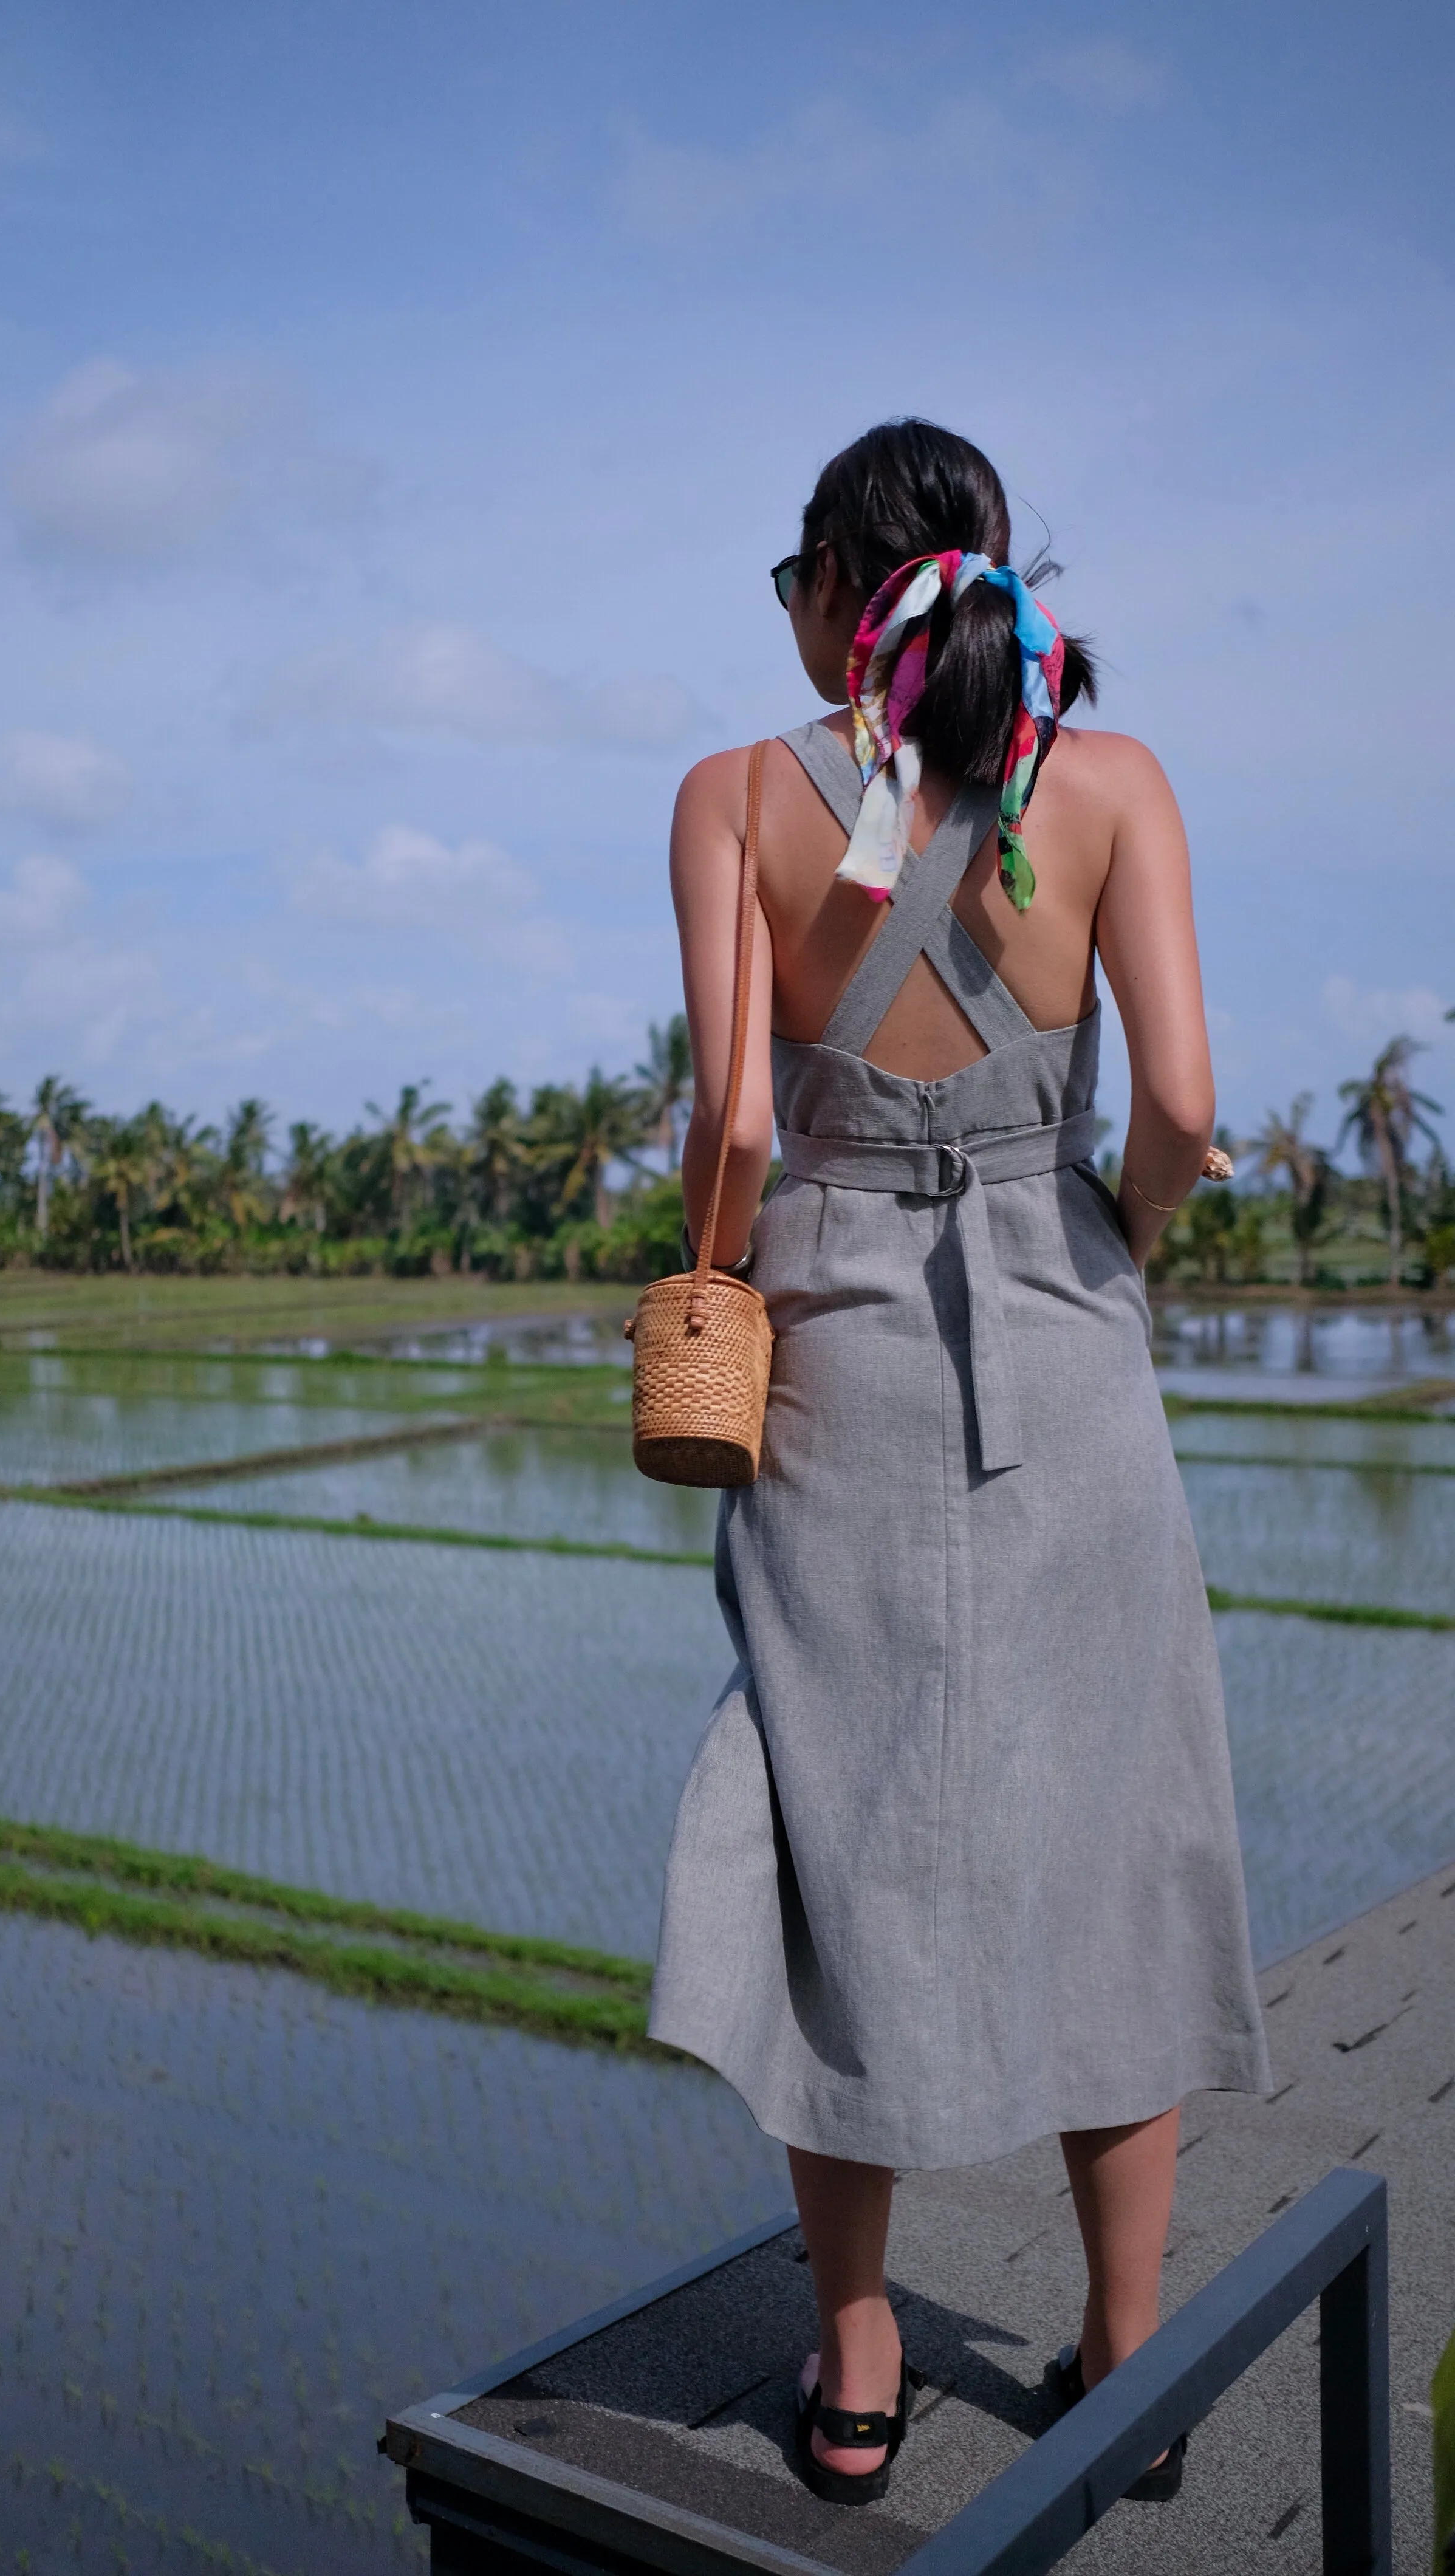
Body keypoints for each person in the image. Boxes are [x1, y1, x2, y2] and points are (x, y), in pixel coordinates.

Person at [646, 419, 1268, 2510]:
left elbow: (736, 1125)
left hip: (829, 1353)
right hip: (1064, 1334)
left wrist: (719, 1286)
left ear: (835, 586)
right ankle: (1125, 2350)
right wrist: (1121, 1242)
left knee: (844, 1839)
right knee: (1119, 1813)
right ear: (992, 578)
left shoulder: (739, 797)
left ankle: (853, 2360)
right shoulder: (1109, 783)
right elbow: (1177, 1099)